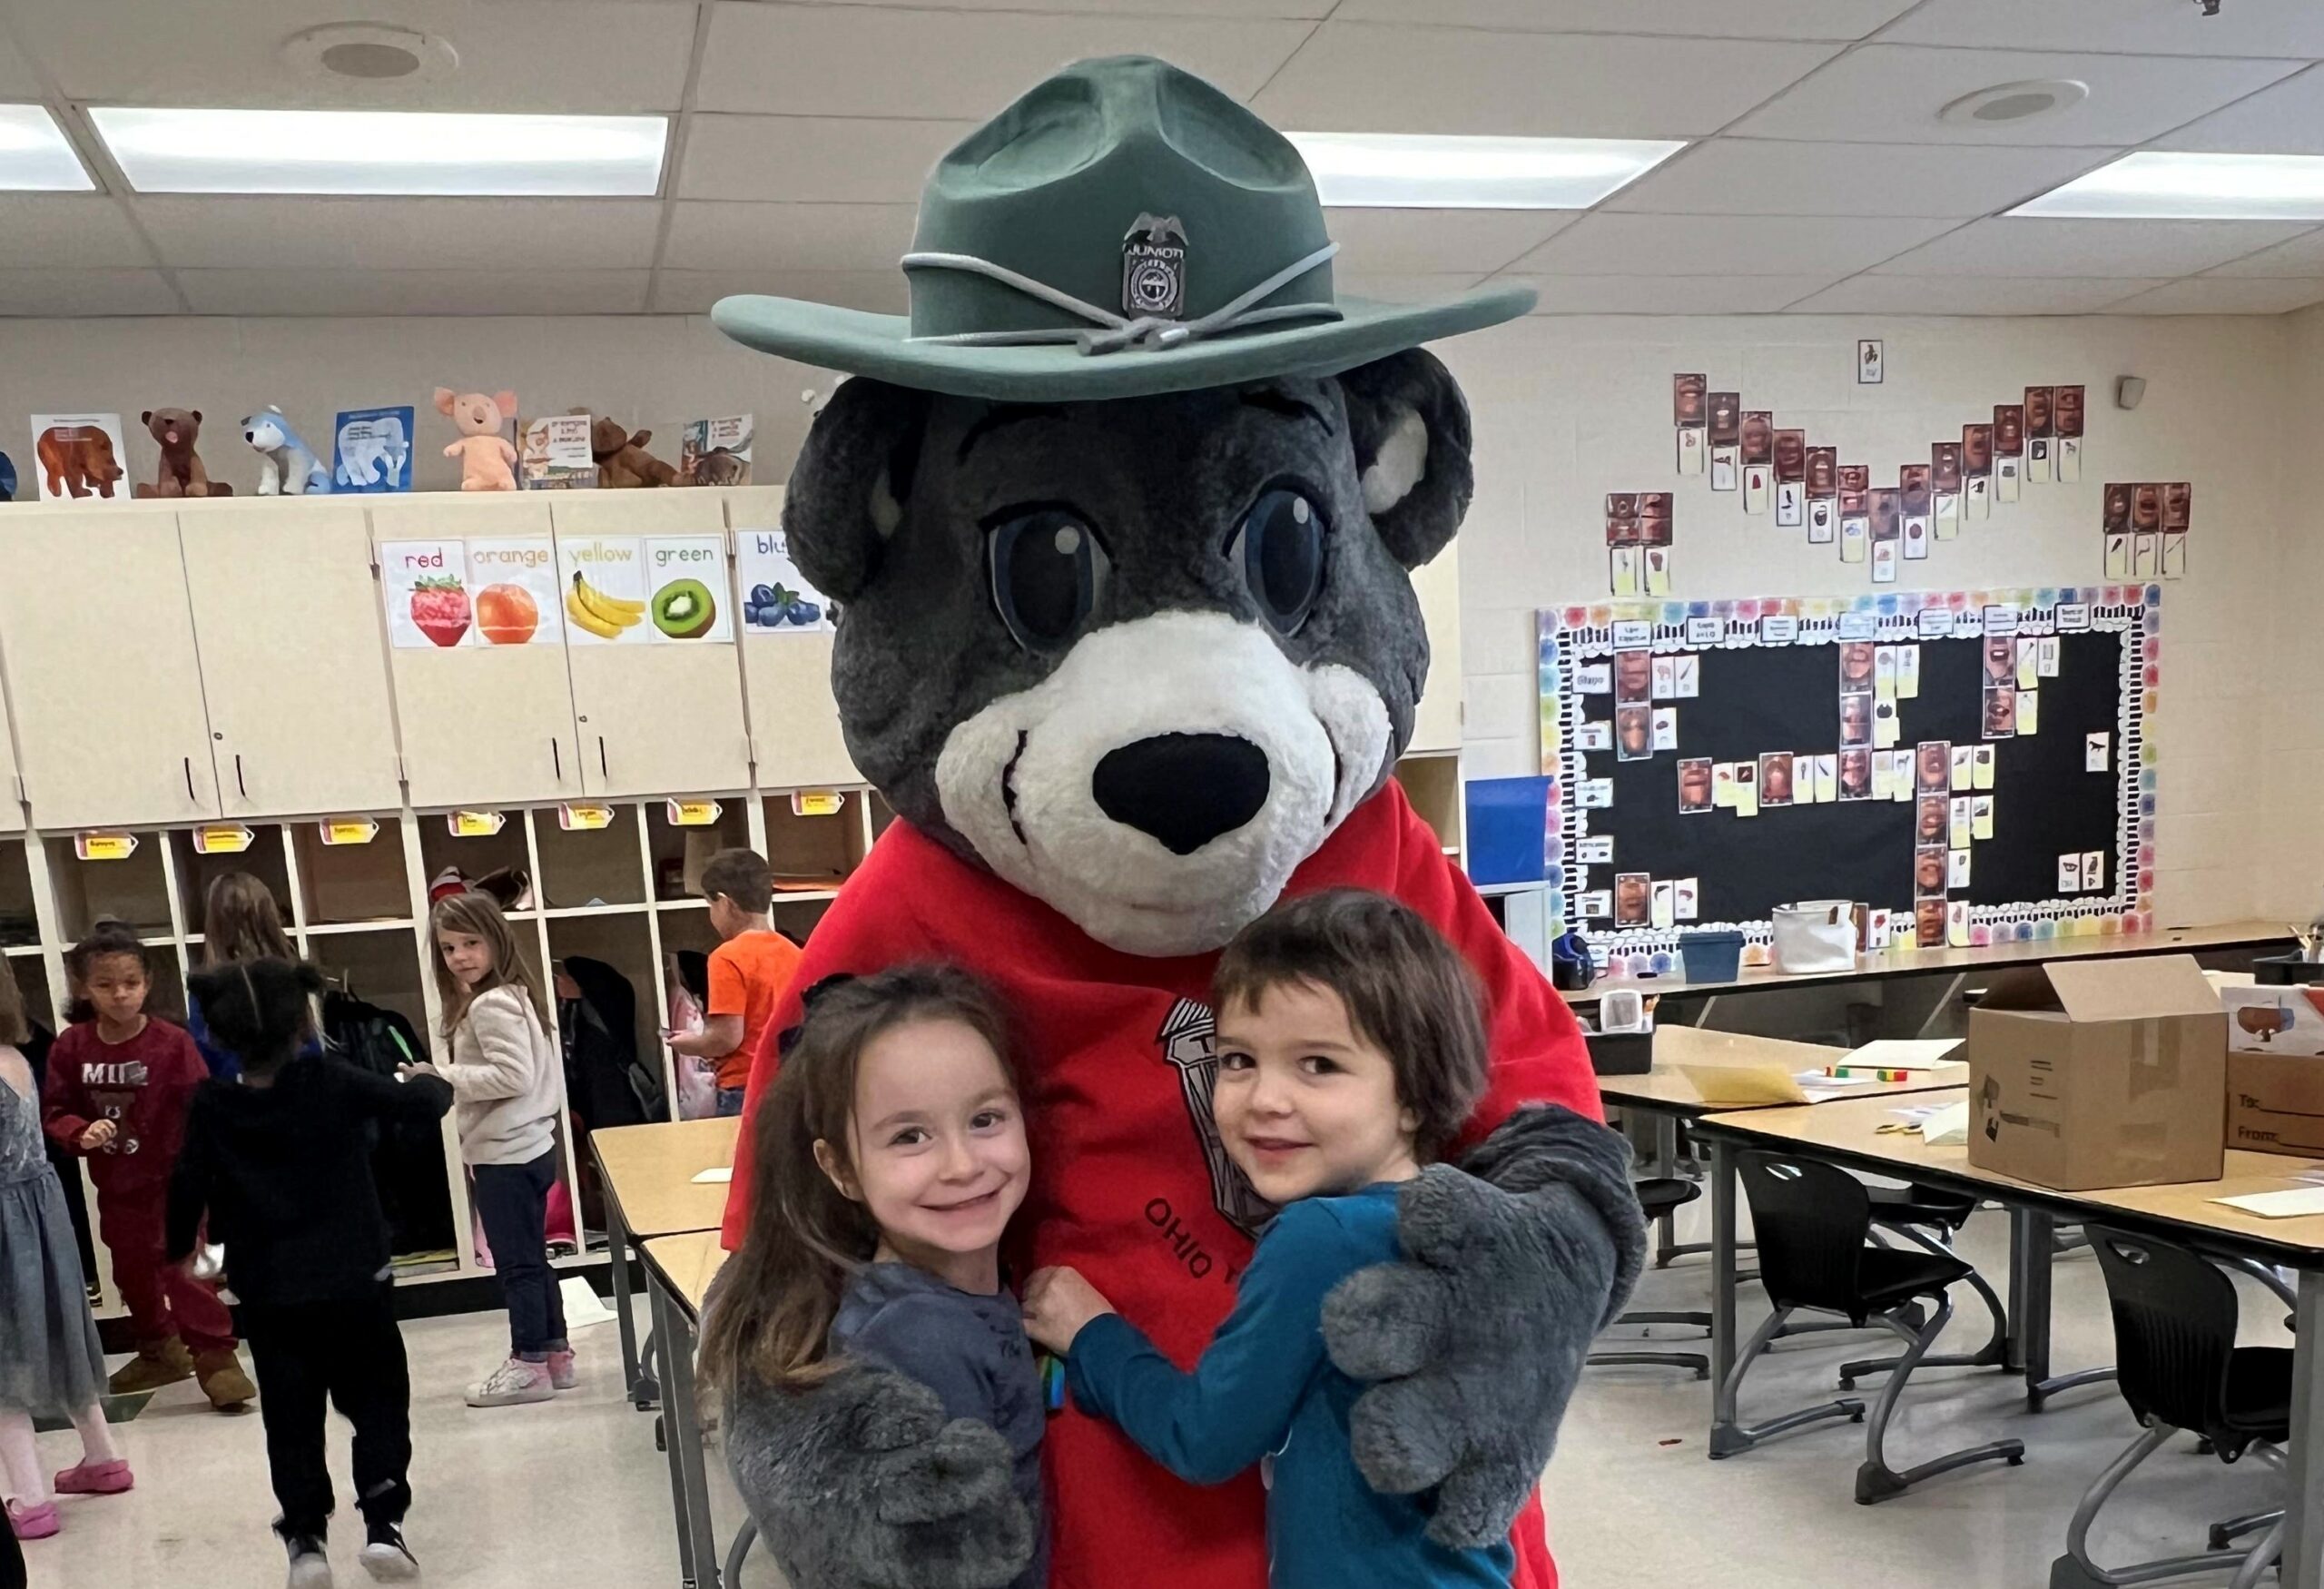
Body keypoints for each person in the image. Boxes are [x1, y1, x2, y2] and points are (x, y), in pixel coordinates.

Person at [1022, 891, 1515, 1589]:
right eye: (1238, 1060)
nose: (1264, 1099)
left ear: (1414, 1093)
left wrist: (1093, 1333)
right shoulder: (1471, 1219)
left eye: (1319, 1065)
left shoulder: (1323, 1239)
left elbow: (1206, 1439)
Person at [704, 965, 1044, 1589]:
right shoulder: (921, 1339)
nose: (962, 1164)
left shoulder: (938, 1296)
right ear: (840, 1169)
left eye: (986, 1120)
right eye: (910, 1137)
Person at [168, 959, 452, 1586]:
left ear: (214, 1035)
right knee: (378, 1404)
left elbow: (188, 1188)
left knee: (290, 1418)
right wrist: (430, 1079)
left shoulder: (212, 1104)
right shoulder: (334, 1080)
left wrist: (187, 1256)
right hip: (357, 1282)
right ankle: (383, 1526)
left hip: (270, 1293)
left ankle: (306, 1542)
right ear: (303, 1024)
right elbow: (421, 1105)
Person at [40, 927, 253, 1410]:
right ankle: (159, 1348)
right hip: (117, 1189)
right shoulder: (71, 1048)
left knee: (189, 1272)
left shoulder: (172, 1044)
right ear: (82, 988)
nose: (120, 994)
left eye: (130, 983)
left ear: (148, 983)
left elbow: (204, 1106)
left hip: (178, 1185)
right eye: (105, 985)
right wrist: (80, 1131)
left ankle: (217, 1358)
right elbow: (54, 1111)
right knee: (132, 1272)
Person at [417, 893, 571, 1408]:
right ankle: (554, 1352)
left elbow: (512, 1075)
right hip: (528, 1145)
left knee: (517, 1264)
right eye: (448, 947)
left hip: (507, 1152)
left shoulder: (491, 1003)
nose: (460, 956)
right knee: (533, 1257)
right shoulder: (517, 994)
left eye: (470, 942)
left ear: (495, 940)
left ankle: (528, 1361)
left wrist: (440, 1074)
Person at [0, 963, 129, 1544]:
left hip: (3, 1220)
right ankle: (102, 1456)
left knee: (4, 1356)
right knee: (60, 1328)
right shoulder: (16, 1056)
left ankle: (28, 1499)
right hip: (41, 1210)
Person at [665, 850, 802, 1120]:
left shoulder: (726, 957)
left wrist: (690, 1044)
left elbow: (726, 1038)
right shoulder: (793, 952)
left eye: (710, 906)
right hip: (791, 1080)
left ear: (725, 903)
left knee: (742, 1160)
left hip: (744, 1087)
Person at [189, 873, 312, 1083]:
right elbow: (309, 1046)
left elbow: (205, 1055)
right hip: (295, 1094)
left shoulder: (207, 986)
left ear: (214, 923)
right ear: (270, 916)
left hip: (236, 1100)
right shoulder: (290, 976)